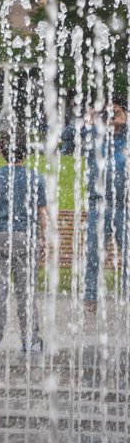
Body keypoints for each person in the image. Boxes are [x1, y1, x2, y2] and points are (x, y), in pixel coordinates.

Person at [0, 128, 45, 353]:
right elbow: (42, 213)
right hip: (26, 238)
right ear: (26, 153)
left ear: (2, 152)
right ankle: (30, 340)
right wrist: (46, 240)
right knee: (26, 292)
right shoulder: (35, 178)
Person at [82, 95, 129, 312]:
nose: (112, 118)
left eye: (116, 113)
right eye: (108, 114)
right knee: (93, 253)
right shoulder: (96, 136)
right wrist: (91, 117)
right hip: (98, 206)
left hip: (124, 206)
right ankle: (90, 296)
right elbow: (67, 136)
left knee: (127, 252)